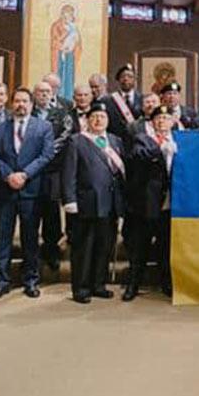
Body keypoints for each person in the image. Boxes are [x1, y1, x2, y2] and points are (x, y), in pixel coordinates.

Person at [0, 88, 54, 300]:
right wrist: (8, 176)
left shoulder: (44, 127)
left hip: (31, 191)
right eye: (17, 101)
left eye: (25, 101)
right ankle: (1, 282)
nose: (21, 105)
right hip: (5, 191)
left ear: (32, 104)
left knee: (30, 239)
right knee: (4, 238)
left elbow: (46, 155)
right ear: (11, 104)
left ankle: (31, 281)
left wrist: (24, 175)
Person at [62, 100, 126, 304]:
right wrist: (70, 200)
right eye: (94, 117)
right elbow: (68, 174)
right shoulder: (77, 141)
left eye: (103, 117)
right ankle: (80, 288)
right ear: (87, 120)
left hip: (110, 204)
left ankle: (98, 284)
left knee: (104, 246)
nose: (99, 120)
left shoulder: (115, 141)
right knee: (84, 247)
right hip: (86, 203)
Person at [125, 104, 177, 299]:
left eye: (166, 118)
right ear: (152, 122)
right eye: (158, 119)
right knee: (140, 249)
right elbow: (138, 155)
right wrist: (158, 148)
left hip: (171, 204)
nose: (162, 121)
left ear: (173, 121)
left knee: (166, 249)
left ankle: (167, 285)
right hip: (147, 204)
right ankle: (133, 286)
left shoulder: (180, 141)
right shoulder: (143, 140)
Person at [32, 81, 72, 272]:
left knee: (51, 213)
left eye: (47, 91)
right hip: (30, 170)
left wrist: (46, 153)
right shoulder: (27, 112)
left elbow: (66, 135)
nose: (44, 94)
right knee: (31, 212)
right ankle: (30, 256)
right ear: (34, 94)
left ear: (52, 93)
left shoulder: (62, 114)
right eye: (40, 91)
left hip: (53, 170)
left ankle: (51, 252)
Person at [106, 64, 143, 138]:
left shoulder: (142, 99)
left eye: (130, 76)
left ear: (135, 79)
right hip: (115, 139)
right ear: (118, 79)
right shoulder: (108, 100)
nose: (126, 79)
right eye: (123, 76)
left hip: (137, 140)